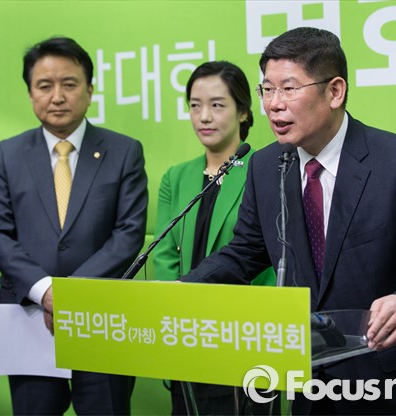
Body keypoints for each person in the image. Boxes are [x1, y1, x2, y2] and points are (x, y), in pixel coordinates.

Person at [181, 27, 396, 414]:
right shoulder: (264, 165)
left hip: (392, 382)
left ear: (335, 91)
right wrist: (182, 291)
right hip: (311, 385)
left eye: (288, 89)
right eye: (266, 90)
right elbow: (246, 251)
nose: (274, 105)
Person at [0, 36, 148, 415]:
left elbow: (128, 234)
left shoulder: (124, 151)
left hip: (104, 318)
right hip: (29, 315)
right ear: (30, 93)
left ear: (90, 90)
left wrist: (70, 295)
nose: (57, 96)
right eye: (44, 86)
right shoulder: (7, 155)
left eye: (69, 84)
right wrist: (45, 292)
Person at [153, 61, 275, 415]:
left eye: (217, 105)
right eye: (195, 105)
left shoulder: (265, 170)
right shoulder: (176, 177)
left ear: (243, 112)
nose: (204, 116)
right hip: (185, 332)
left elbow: (265, 259)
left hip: (243, 333)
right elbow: (164, 253)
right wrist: (175, 317)